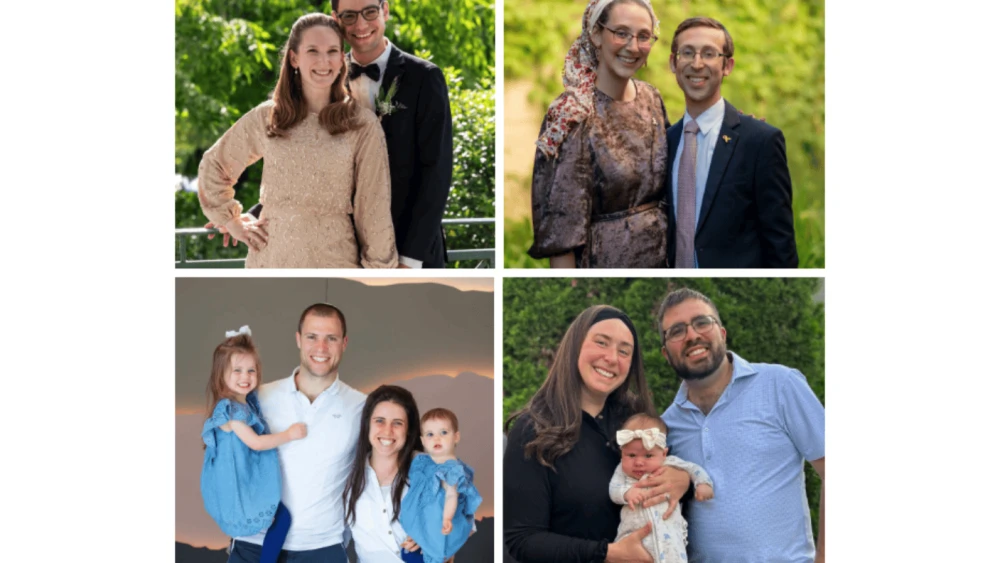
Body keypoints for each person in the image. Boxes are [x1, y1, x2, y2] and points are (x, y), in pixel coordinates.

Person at [245, 0, 454, 268]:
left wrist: (409, 259)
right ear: (336, 19)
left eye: (369, 12)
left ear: (385, 10)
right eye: (349, 16)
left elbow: (436, 172)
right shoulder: (323, 73)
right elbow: (300, 159)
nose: (361, 24)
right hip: (339, 250)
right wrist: (254, 215)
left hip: (409, 247)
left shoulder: (424, 78)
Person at [198, 13, 398, 269]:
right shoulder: (268, 116)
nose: (323, 61)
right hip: (269, 261)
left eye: (332, 51)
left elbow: (374, 210)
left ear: (341, 59)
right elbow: (214, 166)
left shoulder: (362, 125)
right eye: (313, 51)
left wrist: (377, 276)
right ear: (294, 57)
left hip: (334, 264)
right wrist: (233, 222)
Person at [503, 305, 691, 563]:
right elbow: (522, 541)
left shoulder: (636, 421)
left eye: (624, 351)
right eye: (601, 343)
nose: (612, 358)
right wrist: (608, 554)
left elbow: (672, 475)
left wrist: (684, 481)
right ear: (575, 346)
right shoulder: (532, 430)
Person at [657, 288, 824, 562]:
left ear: (722, 333)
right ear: (665, 354)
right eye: (677, 331)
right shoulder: (666, 427)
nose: (692, 335)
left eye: (702, 322)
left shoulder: (780, 385)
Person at [527, 0, 671, 268]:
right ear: (596, 34)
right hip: (606, 263)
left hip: (664, 261)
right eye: (621, 33)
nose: (633, 46)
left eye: (643, 36)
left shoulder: (652, 98)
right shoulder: (571, 112)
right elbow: (561, 227)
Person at [226, 304, 367, 562]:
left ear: (344, 343)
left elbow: (391, 469)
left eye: (331, 338)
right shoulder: (258, 398)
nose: (321, 348)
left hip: (322, 548)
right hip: (252, 544)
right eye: (312, 337)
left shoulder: (362, 407)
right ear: (298, 339)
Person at [665, 17, 798, 268]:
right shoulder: (665, 142)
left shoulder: (760, 141)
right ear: (673, 62)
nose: (697, 63)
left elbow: (781, 245)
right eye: (687, 52)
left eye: (709, 54)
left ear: (727, 65)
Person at [200, 326, 307, 563]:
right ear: (221, 375)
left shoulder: (246, 405)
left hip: (245, 484)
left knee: (280, 519)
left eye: (251, 370)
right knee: (283, 519)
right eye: (236, 370)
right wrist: (289, 434)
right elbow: (256, 443)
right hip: (241, 487)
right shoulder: (230, 412)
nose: (245, 377)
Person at [610, 413, 713, 563]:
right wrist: (627, 493)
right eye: (631, 455)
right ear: (622, 453)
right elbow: (613, 489)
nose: (639, 462)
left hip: (669, 538)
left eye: (648, 456)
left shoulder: (671, 464)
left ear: (663, 453)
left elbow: (693, 469)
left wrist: (703, 484)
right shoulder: (621, 471)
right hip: (634, 538)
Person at [342, 385, 429, 562]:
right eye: (379, 421)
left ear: (409, 429)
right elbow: (337, 540)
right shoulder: (346, 474)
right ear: (367, 424)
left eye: (397, 423)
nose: (387, 431)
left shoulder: (428, 469)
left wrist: (438, 539)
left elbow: (464, 520)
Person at [400, 408, 482, 563]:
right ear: (423, 440)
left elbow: (452, 495)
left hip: (438, 520)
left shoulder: (452, 469)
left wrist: (447, 518)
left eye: (444, 432)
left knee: (434, 550)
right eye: (430, 434)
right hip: (422, 521)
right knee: (412, 551)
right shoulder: (422, 463)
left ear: (456, 437)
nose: (437, 438)